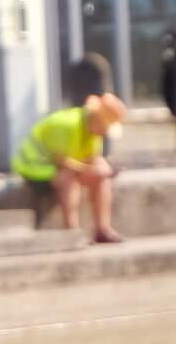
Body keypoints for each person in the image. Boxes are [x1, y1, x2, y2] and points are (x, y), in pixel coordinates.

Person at [11, 91, 126, 244]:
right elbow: (62, 162)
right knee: (69, 177)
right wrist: (92, 170)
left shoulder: (92, 133)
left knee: (101, 178)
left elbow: (94, 160)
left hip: (56, 166)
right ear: (97, 121)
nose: (105, 133)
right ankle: (71, 230)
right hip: (34, 168)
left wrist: (104, 171)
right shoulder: (66, 125)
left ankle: (102, 229)